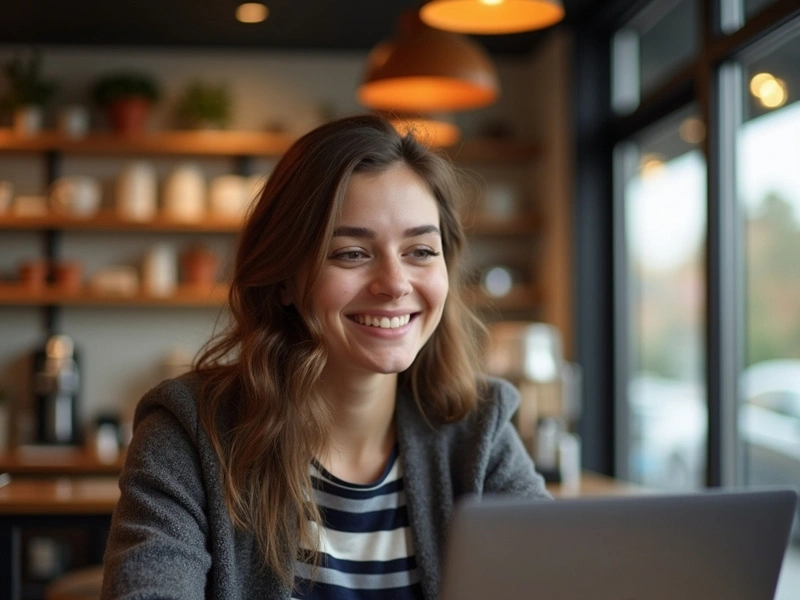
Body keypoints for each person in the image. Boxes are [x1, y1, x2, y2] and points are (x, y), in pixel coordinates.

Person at [100, 114, 550, 600]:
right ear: (287, 279)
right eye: (352, 254)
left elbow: (562, 578)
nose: (395, 284)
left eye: (420, 250)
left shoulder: (479, 429)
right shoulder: (189, 431)